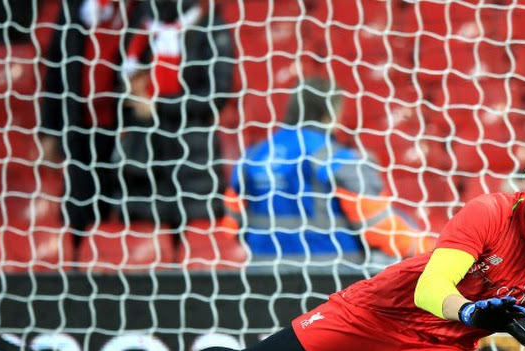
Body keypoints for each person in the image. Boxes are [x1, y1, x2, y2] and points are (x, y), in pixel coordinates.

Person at [40, 136, 525, 351]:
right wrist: (468, 312)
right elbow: (427, 288)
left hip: (438, 345)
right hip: (376, 311)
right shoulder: (489, 212)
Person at [223, 78, 435, 263]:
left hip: (263, 276)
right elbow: (381, 229)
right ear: (328, 114)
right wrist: (431, 251)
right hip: (331, 277)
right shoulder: (338, 160)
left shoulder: (252, 156)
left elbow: (232, 224)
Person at [113, 0, 234, 228]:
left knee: (194, 241)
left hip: (192, 155)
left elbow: (215, 95)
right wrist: (134, 90)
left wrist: (159, 104)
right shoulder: (141, 29)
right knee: (145, 239)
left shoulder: (210, 28)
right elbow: (118, 80)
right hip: (144, 154)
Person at [40, 0, 138, 236]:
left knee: (130, 216)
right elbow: (56, 69)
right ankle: (76, 267)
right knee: (79, 211)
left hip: (129, 130)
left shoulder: (143, 9)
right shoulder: (74, 9)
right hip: (80, 130)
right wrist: (50, 130)